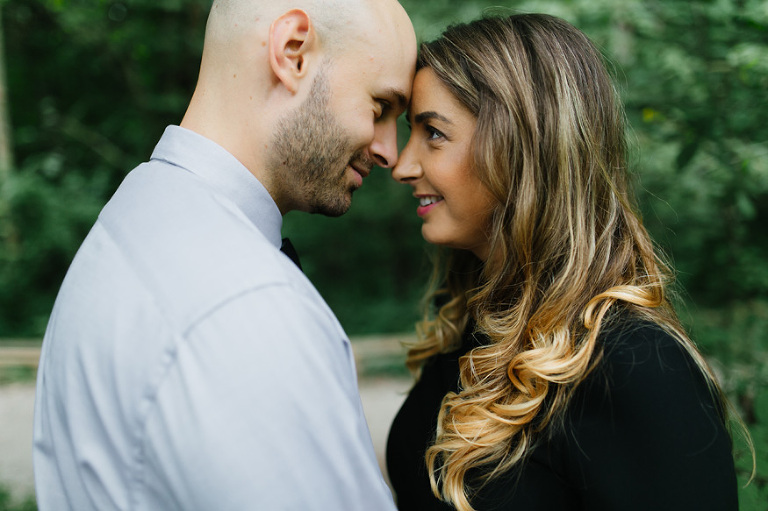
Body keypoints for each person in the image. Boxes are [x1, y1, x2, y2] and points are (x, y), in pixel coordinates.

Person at [33, 1, 416, 509]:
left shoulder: (130, 220)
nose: (391, 151)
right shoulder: (248, 307)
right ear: (293, 52)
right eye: (380, 107)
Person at [386, 13, 745, 511]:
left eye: (434, 134)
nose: (403, 165)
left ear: (521, 147)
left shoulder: (634, 366)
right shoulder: (473, 335)